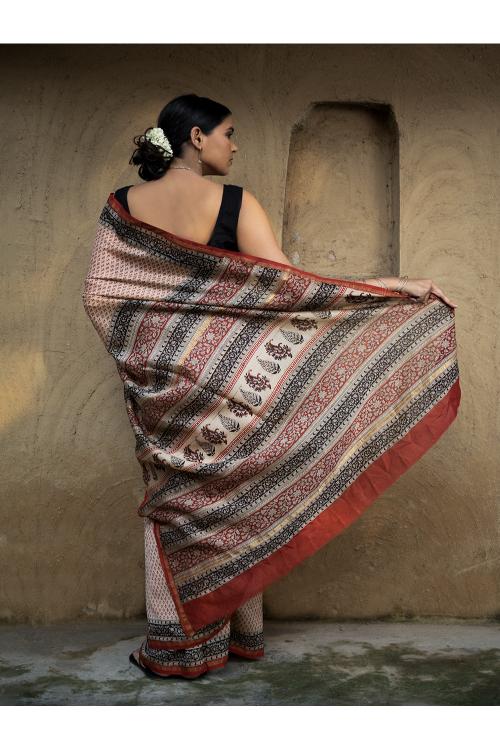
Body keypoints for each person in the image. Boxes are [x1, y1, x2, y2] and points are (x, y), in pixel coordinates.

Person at [89, 93, 459, 678]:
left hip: (163, 384)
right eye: (229, 133)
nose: (234, 146)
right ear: (196, 137)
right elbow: (292, 288)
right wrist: (386, 288)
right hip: (231, 385)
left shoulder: (121, 208)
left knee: (176, 502)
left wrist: (159, 345)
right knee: (233, 495)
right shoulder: (233, 202)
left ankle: (180, 643)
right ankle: (238, 634)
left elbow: (103, 294)